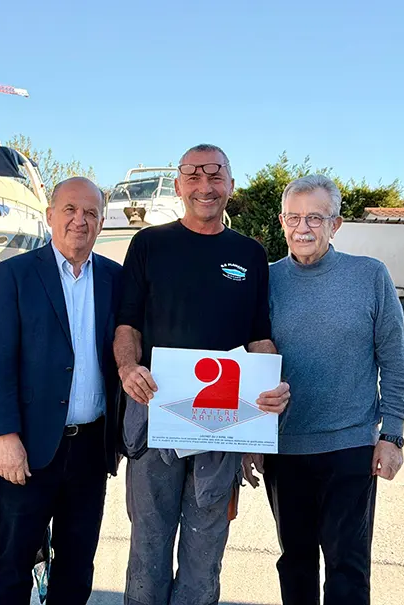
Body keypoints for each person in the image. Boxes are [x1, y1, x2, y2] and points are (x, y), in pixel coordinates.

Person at [115, 144, 290, 605]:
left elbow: (258, 335)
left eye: (215, 176)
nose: (204, 186)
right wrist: (128, 367)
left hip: (222, 424)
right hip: (157, 416)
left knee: (205, 554)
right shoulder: (149, 244)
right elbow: (127, 324)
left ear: (230, 185)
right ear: (178, 186)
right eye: (193, 176)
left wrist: (272, 384)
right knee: (148, 551)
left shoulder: (249, 254)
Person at [251, 174, 404, 605]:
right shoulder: (264, 282)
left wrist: (392, 435)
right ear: (282, 221)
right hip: (285, 449)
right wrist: (247, 435)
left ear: (336, 224)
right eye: (294, 217)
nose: (302, 228)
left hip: (351, 447)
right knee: (296, 562)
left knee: (348, 567)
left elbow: (396, 362)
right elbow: (246, 362)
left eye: (315, 218)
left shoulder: (370, 276)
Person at [0, 176, 123, 604]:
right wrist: (6, 436)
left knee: (77, 564)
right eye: (70, 210)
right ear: (50, 216)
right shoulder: (15, 274)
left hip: (90, 450)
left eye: (90, 213)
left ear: (101, 222)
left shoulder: (116, 279)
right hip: (27, 447)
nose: (80, 221)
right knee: (12, 564)